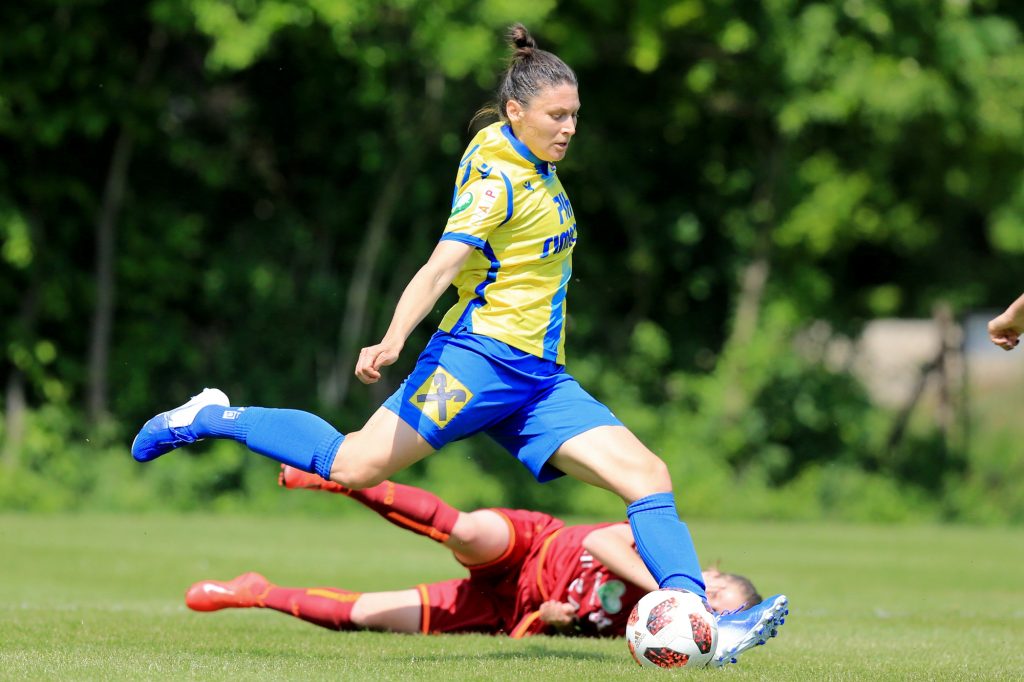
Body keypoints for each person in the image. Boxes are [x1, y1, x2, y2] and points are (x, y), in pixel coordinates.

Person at [131, 23, 786, 656]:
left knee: (647, 475)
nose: (569, 128)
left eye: (574, 114)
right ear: (515, 112)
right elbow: (440, 265)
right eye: (556, 115)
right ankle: (210, 414)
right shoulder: (499, 183)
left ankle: (698, 615)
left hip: (538, 381)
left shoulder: (514, 147)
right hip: (477, 362)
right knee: (354, 464)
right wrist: (392, 338)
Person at [183, 466, 785, 667]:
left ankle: (255, 592)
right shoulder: (666, 561)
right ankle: (342, 475)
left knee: (365, 615)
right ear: (709, 571)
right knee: (463, 529)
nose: (704, 607)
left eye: (715, 613)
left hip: (504, 609)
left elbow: (554, 630)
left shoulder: (655, 633)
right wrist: (674, 594)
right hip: (532, 544)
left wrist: (556, 619)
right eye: (713, 592)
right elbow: (603, 544)